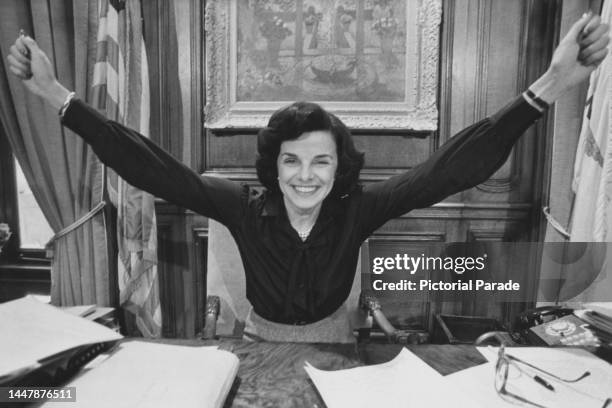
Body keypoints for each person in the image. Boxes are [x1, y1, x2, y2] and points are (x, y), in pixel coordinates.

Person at [6, 13, 610, 342]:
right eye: (291, 161)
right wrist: (59, 96)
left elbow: (450, 170)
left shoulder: (360, 209)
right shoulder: (239, 207)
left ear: (338, 167)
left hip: (340, 351)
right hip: (256, 348)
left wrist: (549, 87)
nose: (305, 176)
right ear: (273, 167)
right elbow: (151, 167)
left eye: (320, 161)